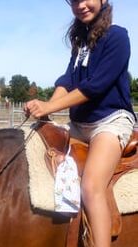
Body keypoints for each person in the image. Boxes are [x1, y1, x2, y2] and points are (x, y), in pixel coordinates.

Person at [24, 0, 135, 246]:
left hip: (110, 120)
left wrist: (49, 106)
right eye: (74, 1)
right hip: (79, 123)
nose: (81, 5)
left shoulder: (118, 37)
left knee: (91, 186)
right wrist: (45, 108)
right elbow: (67, 80)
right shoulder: (82, 42)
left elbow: (95, 86)